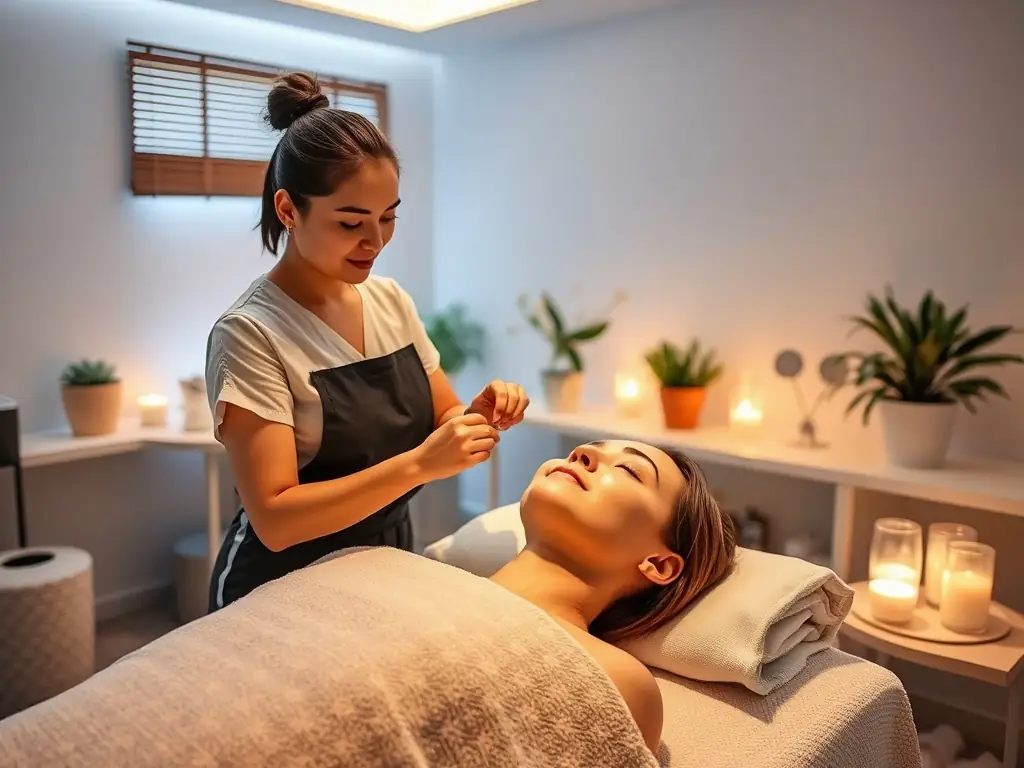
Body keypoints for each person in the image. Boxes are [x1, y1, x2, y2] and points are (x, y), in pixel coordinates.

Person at [205, 72, 529, 611]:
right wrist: (421, 465)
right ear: (289, 211)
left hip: (383, 562)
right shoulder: (250, 334)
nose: (375, 241)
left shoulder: (390, 301)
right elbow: (276, 518)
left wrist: (474, 418)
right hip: (277, 589)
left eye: (388, 217)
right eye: (352, 222)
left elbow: (443, 411)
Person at [490, 440, 736, 754]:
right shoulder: (424, 573)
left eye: (628, 470)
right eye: (584, 449)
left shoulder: (614, 681)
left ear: (659, 564)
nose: (582, 454)